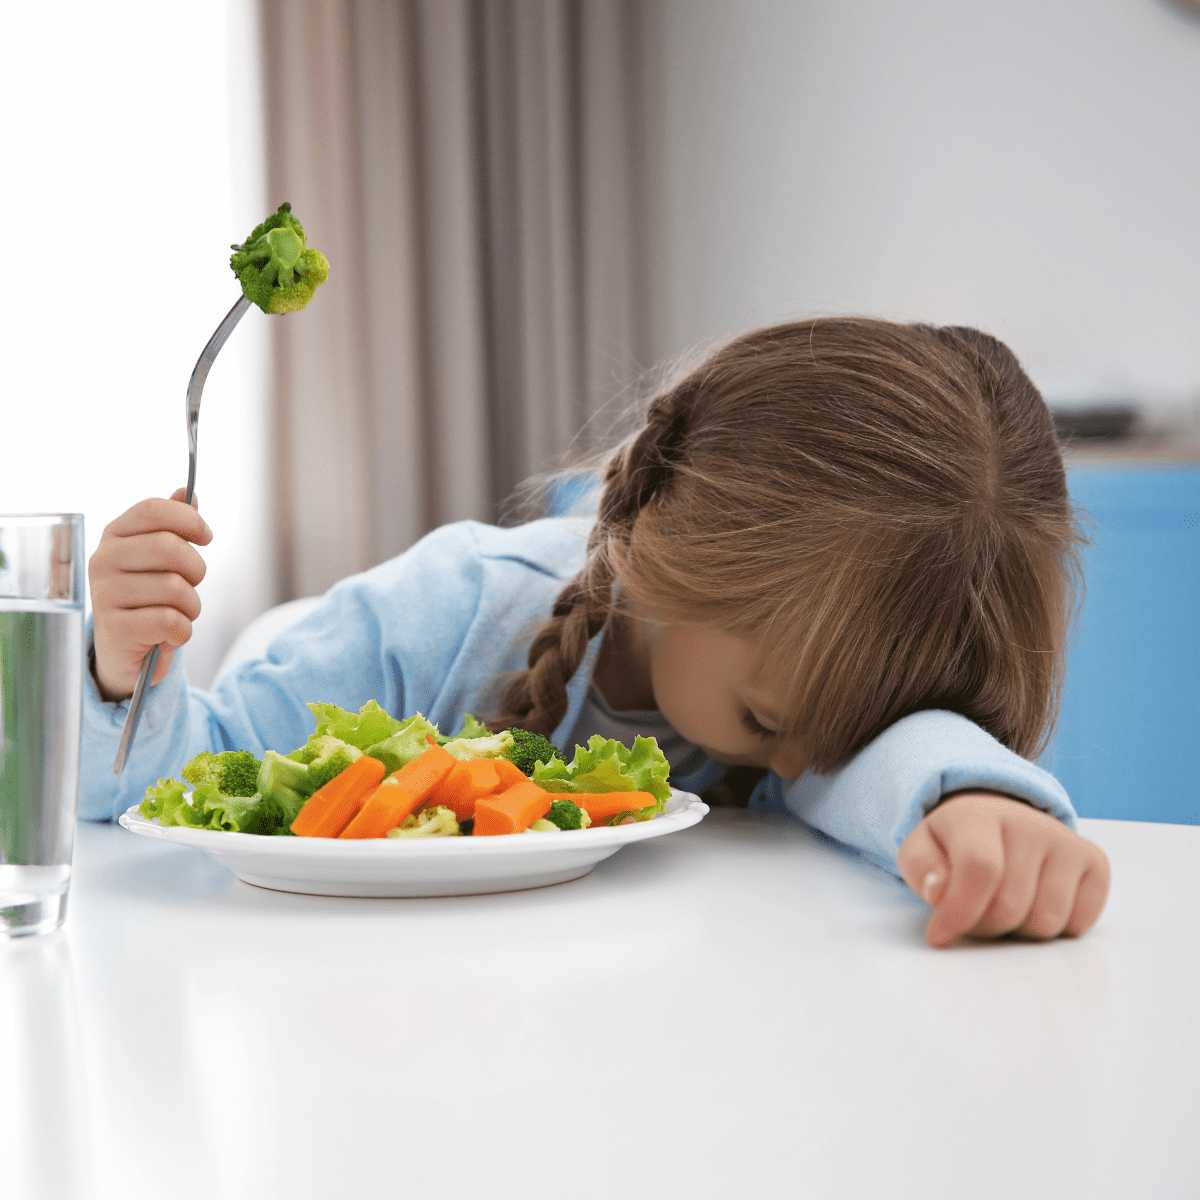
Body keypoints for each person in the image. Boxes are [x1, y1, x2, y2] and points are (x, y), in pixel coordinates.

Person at [83, 317, 1110, 947]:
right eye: (768, 718)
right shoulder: (454, 612)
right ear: (672, 549)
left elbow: (858, 770)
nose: (800, 763)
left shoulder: (807, 720)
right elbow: (169, 795)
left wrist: (967, 794)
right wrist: (115, 675)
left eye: (837, 740)